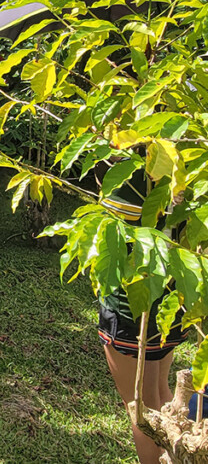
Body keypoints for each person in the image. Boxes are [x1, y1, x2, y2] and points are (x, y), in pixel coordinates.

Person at [97, 177, 186, 464]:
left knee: (143, 410)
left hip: (134, 304)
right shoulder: (186, 166)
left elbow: (115, 220)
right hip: (176, 294)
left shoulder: (133, 173)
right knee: (159, 392)